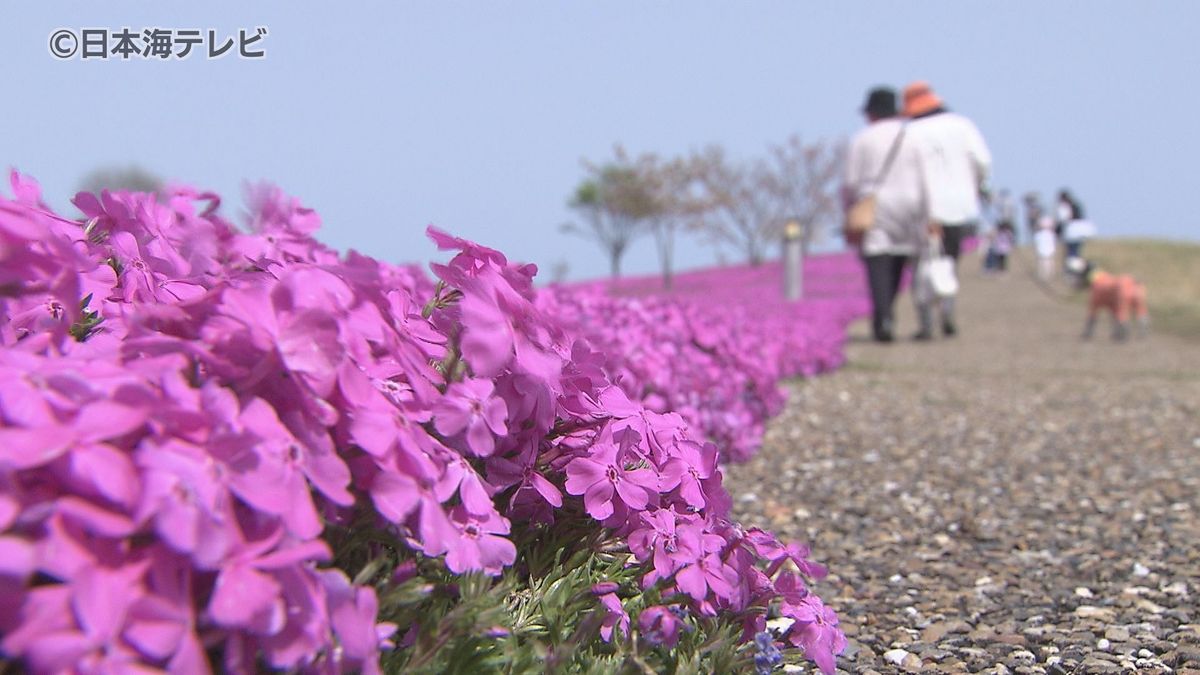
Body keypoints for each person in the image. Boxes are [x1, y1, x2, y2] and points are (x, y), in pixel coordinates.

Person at [902, 81, 992, 339]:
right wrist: (980, 185)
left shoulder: (910, 132)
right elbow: (982, 161)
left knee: (922, 263)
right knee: (949, 261)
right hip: (960, 206)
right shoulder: (962, 125)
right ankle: (947, 308)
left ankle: (925, 319)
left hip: (923, 208)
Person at [842, 86, 927, 343]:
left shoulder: (863, 139)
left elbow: (850, 183)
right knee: (901, 257)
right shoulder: (914, 138)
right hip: (911, 203)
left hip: (874, 204)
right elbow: (927, 177)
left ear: (872, 113)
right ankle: (893, 311)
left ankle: (884, 318)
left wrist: (849, 214)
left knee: (878, 260)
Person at [1067, 257, 1149, 341]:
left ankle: (1123, 332)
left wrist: (1087, 332)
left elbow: (1092, 314)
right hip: (1134, 284)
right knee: (1139, 309)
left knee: (1121, 312)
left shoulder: (1097, 287)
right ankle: (1141, 330)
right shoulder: (1104, 277)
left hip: (1121, 289)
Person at [1034, 215, 1057, 281]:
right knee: (1048, 262)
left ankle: (1044, 274)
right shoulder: (1051, 234)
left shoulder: (1039, 234)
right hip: (1047, 249)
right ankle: (1047, 273)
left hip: (1044, 249)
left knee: (1044, 262)